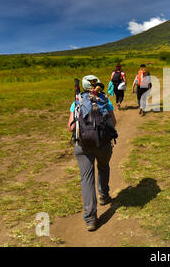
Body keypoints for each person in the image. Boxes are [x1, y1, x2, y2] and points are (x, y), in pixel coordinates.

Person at [67, 75, 117, 232]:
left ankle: (90, 219)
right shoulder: (104, 99)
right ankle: (104, 195)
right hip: (103, 143)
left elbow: (70, 126)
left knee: (86, 179)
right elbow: (113, 121)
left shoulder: (77, 101)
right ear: (96, 85)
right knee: (103, 166)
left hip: (83, 145)